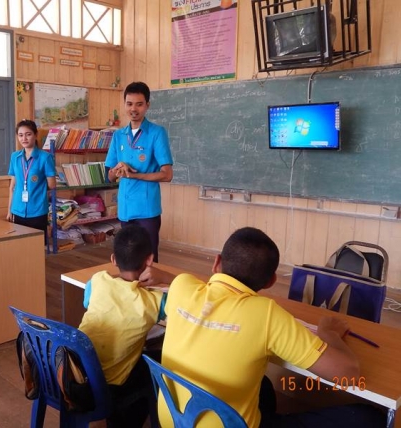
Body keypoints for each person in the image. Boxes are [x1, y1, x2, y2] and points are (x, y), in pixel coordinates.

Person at [160, 227, 385, 428]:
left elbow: (202, 310)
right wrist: (330, 334)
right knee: (368, 417)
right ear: (271, 281)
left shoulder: (181, 285)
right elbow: (349, 373)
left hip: (173, 419)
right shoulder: (266, 315)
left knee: (264, 385)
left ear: (216, 262)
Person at [78, 224, 175, 427]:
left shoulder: (96, 281)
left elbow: (88, 304)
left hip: (79, 375)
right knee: (157, 364)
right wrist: (166, 277)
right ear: (150, 260)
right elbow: (188, 296)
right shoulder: (155, 301)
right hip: (110, 386)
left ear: (113, 259)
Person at [105, 81, 173, 263]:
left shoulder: (157, 133)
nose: (133, 109)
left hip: (147, 209)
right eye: (129, 104)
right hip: (125, 209)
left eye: (139, 104)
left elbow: (167, 174)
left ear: (147, 105)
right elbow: (109, 176)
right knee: (128, 259)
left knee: (149, 259)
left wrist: (134, 175)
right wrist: (118, 169)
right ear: (124, 104)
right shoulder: (118, 135)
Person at [6, 119, 56, 236]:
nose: (24, 138)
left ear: (35, 135)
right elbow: (12, 187)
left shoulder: (45, 157)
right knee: (20, 243)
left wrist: (37, 187)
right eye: (20, 135)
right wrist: (9, 210)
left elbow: (52, 185)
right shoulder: (15, 157)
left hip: (38, 211)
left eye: (28, 134)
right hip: (17, 210)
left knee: (38, 244)